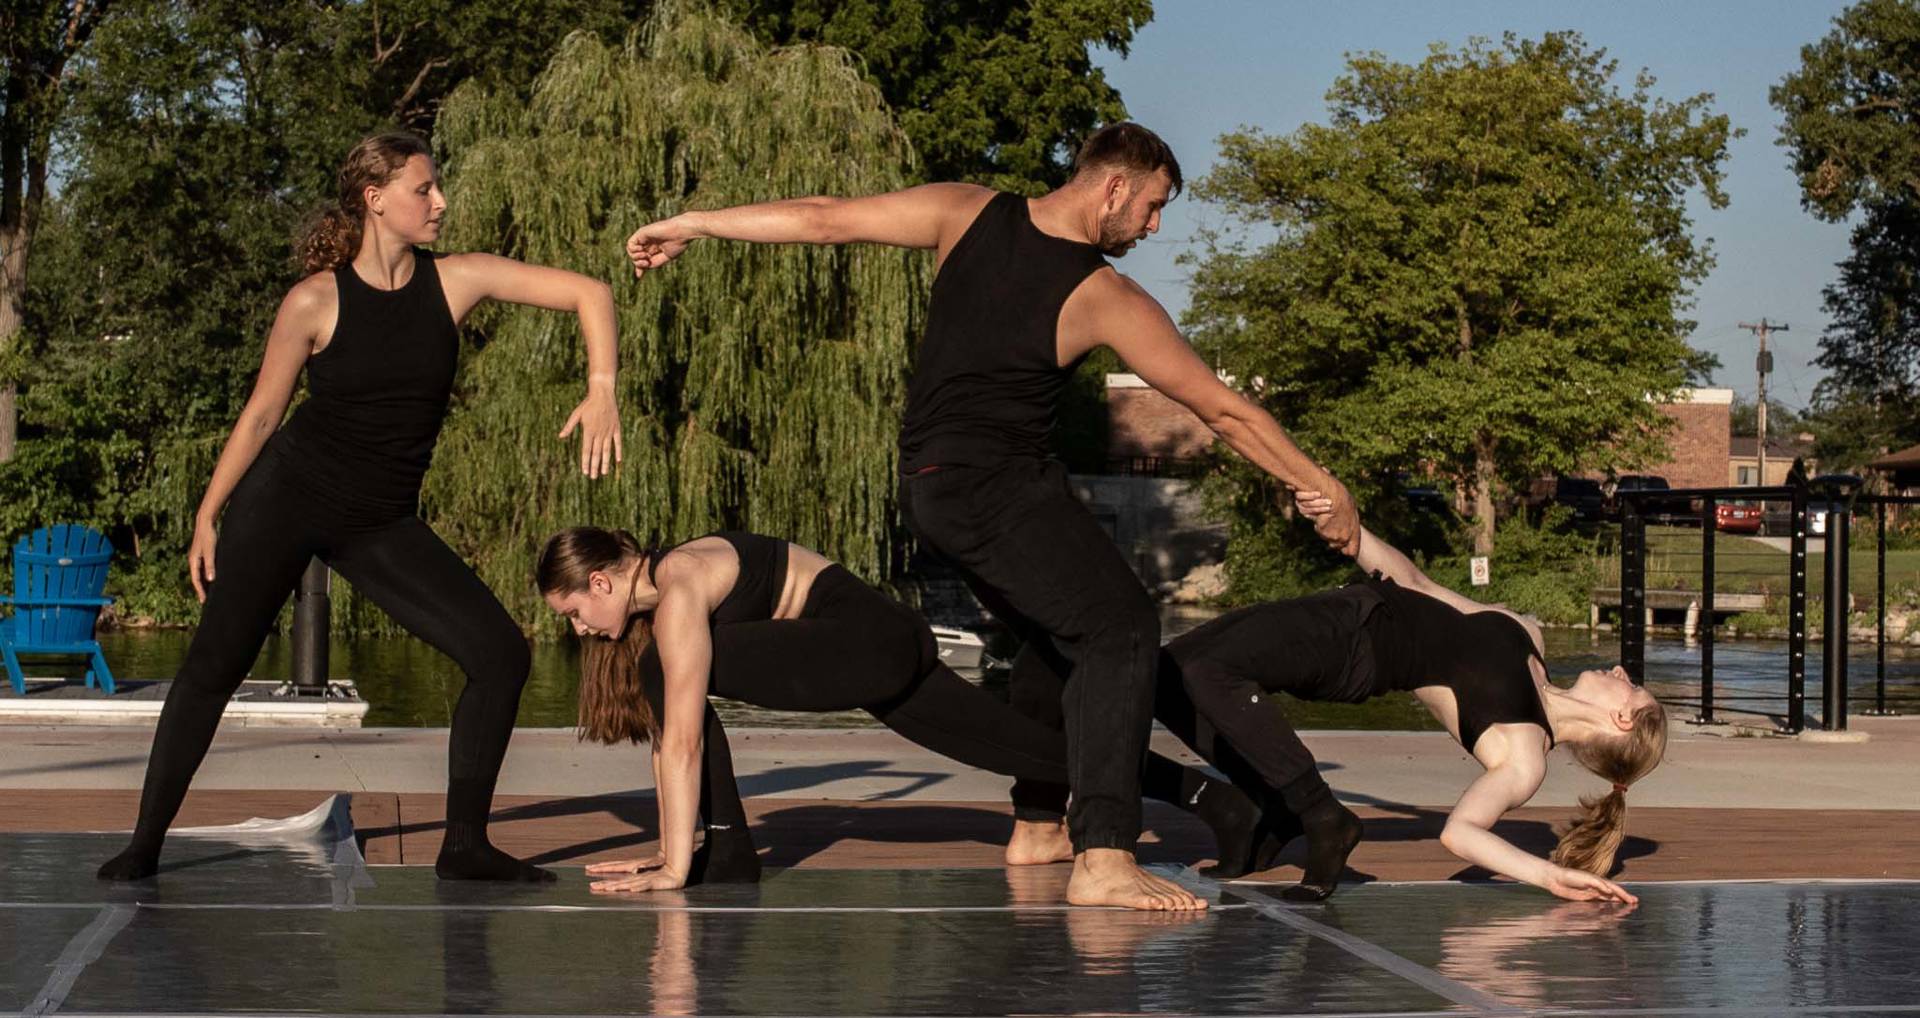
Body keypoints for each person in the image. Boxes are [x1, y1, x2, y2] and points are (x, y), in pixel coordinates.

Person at [623, 122, 1358, 910]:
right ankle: (1104, 857)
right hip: (997, 490)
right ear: (1114, 185)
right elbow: (1219, 408)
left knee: (1054, 641)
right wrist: (1323, 486)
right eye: (1150, 207)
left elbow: (821, 217)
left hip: (931, 490)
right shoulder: (1101, 295)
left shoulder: (965, 210)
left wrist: (693, 222)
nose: (1152, 227)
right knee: (1120, 630)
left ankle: (1041, 822)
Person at [97, 131, 623, 882]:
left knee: (501, 654)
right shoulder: (314, 300)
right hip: (285, 499)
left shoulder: (457, 281)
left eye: (437, 188)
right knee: (213, 667)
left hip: (380, 520)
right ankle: (144, 843)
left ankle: (466, 846)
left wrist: (601, 385)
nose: (440, 201)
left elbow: (589, 293)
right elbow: (260, 416)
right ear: (377, 200)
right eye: (423, 189)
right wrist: (208, 513)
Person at [536, 526, 1265, 898]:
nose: (578, 629)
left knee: (668, 666)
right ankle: (1215, 799)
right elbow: (676, 738)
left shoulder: (680, 581)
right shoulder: (671, 587)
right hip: (875, 642)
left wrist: (671, 863)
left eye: (573, 612)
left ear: (602, 580)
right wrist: (671, 852)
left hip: (863, 641)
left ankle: (724, 851)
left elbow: (683, 741)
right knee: (1013, 748)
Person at [1153, 508, 1667, 905]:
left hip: (1353, 652)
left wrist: (1547, 874)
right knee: (1160, 678)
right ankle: (1256, 811)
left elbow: (1461, 832)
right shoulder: (1527, 636)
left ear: (1622, 721)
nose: (1622, 673)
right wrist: (1355, 536)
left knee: (1206, 672)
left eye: (1631, 687)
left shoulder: (1524, 751)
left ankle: (1318, 815)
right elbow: (1419, 586)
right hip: (1348, 605)